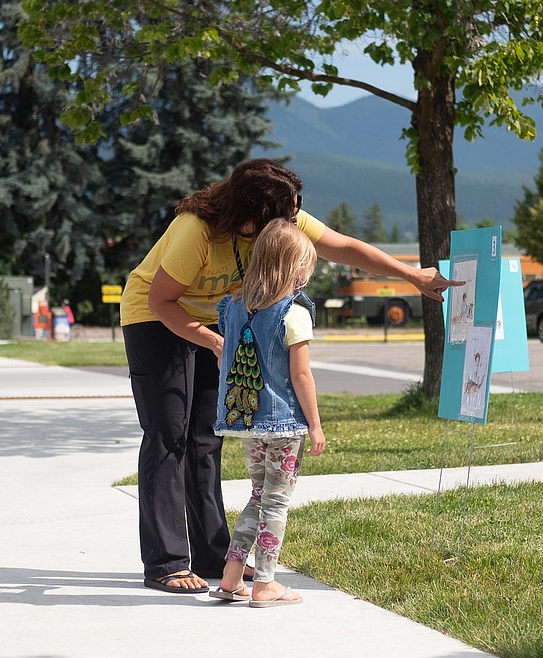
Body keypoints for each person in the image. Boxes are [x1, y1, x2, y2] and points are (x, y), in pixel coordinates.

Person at [120, 158, 459, 594]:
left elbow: (342, 246)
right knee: (169, 434)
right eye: (285, 215)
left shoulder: (279, 211)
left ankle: (210, 555)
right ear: (252, 215)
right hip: (155, 318)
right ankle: (166, 563)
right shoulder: (197, 229)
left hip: (216, 323)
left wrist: (412, 275)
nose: (292, 222)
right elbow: (162, 300)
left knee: (207, 438)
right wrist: (213, 341)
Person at [207, 219, 323, 607]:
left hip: (247, 421)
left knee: (258, 494)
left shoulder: (234, 308)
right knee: (276, 501)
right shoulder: (294, 313)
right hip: (285, 424)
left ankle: (231, 576)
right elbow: (301, 374)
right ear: (299, 269)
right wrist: (316, 425)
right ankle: (266, 583)